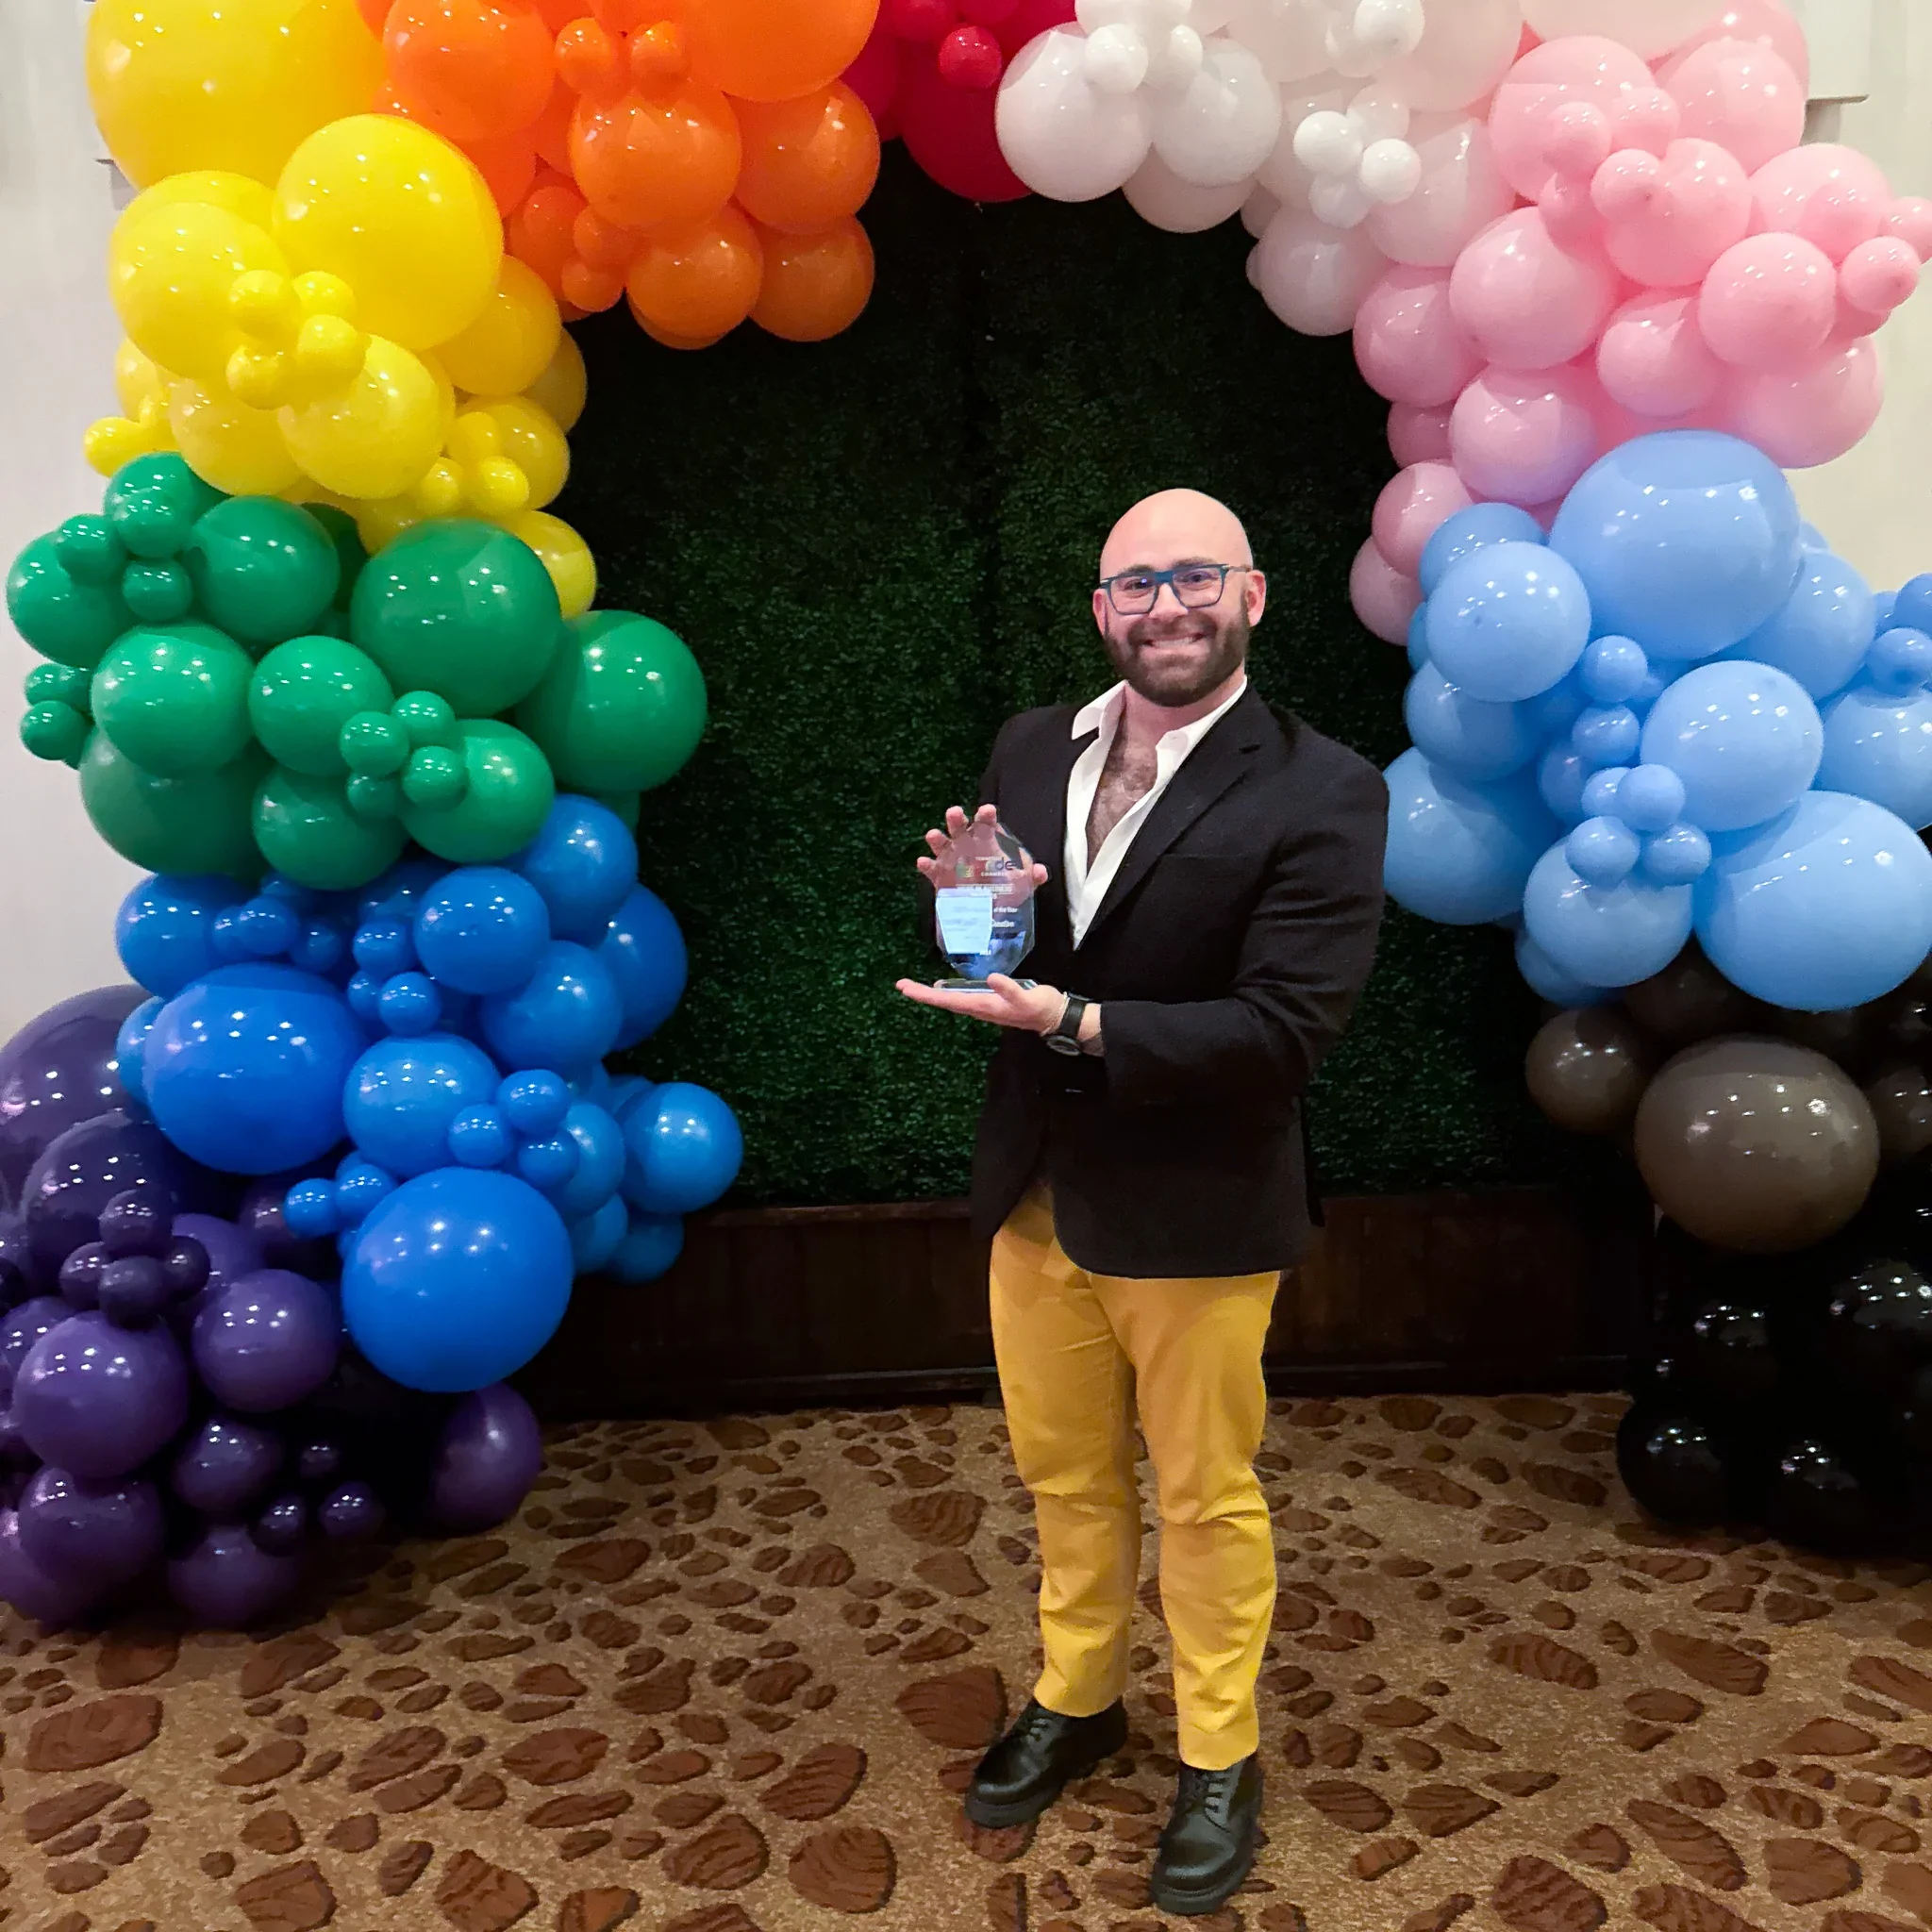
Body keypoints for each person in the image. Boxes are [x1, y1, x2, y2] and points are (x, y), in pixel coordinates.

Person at [896, 488, 1389, 1914]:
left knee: (1203, 1494)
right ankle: (1080, 1695)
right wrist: (984, 908)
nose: (1163, 607)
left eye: (1193, 578)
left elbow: (1284, 1032)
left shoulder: (1326, 786)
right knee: (1061, 1477)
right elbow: (1025, 942)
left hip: (1199, 1209)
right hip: (1036, 1193)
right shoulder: (1031, 746)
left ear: (1252, 596)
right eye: (1132, 585)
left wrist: (1071, 1017)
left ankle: (1220, 1753)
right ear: (1101, 608)